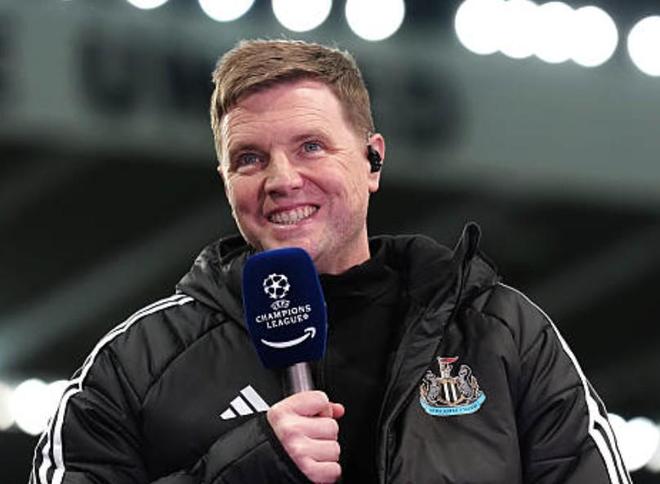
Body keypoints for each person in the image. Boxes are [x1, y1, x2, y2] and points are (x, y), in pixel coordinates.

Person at [31, 39, 631, 484]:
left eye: (311, 146)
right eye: (249, 158)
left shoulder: (503, 335)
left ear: (372, 161)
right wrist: (244, 469)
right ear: (225, 179)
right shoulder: (137, 363)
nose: (281, 179)